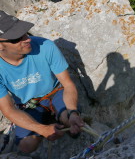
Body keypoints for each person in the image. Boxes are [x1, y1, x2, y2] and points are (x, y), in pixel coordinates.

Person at [0, 11, 85, 153]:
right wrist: (42, 129)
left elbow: (68, 84)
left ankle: (61, 116)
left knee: (70, 123)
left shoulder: (45, 46)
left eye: (25, 32)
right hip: (28, 105)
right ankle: (50, 120)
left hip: (55, 93)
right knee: (26, 146)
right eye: (17, 38)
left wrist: (72, 113)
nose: (27, 39)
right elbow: (8, 109)